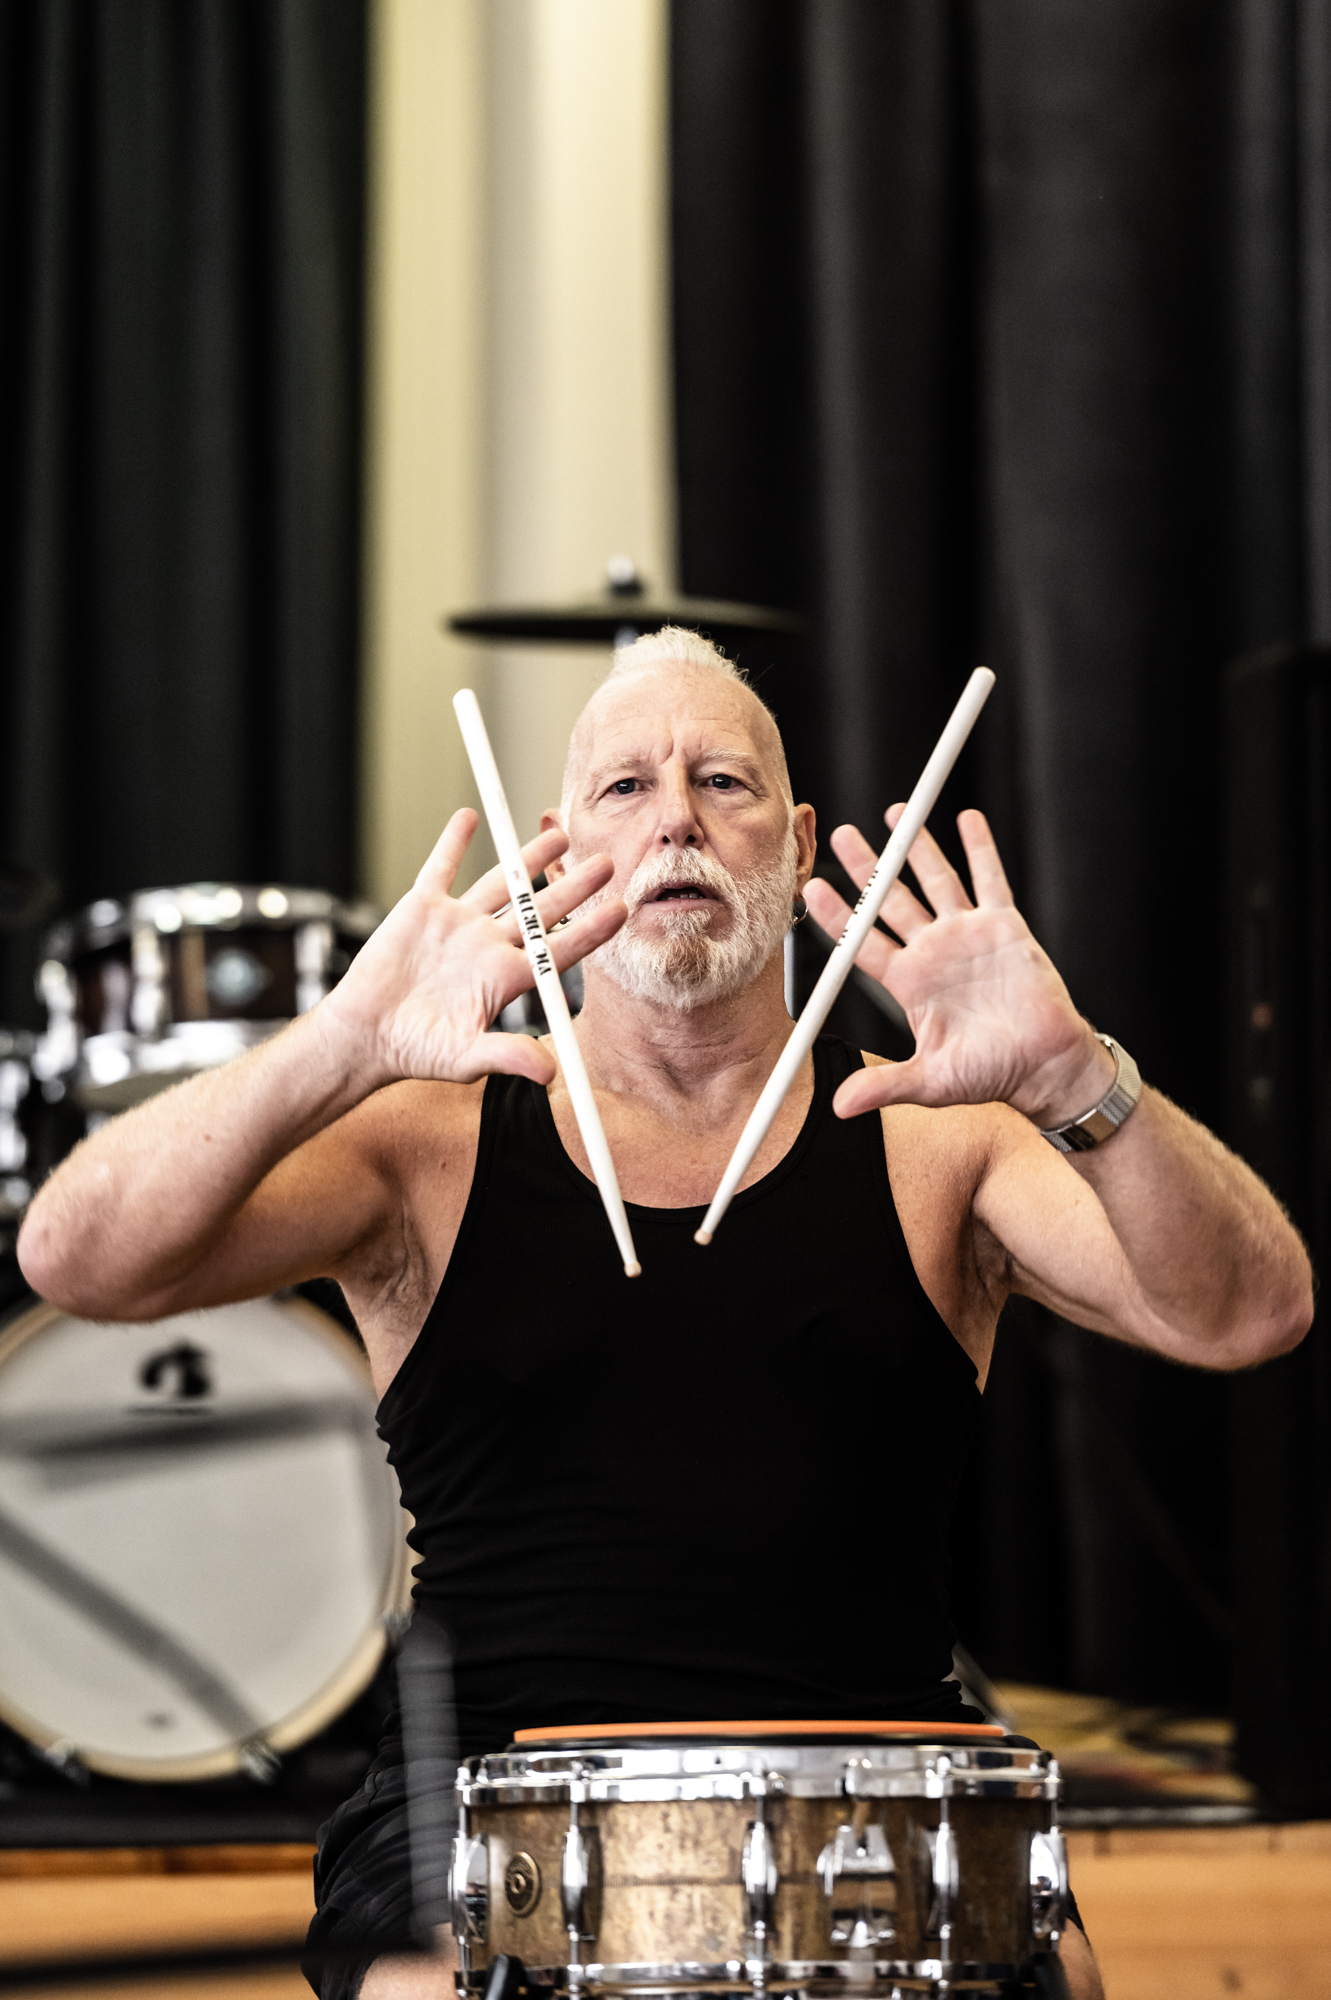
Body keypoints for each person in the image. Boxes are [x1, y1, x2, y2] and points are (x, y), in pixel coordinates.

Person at [18, 629, 1312, 2000]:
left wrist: (1077, 1083)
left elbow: (1252, 1313)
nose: (677, 819)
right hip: (487, 1799)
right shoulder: (424, 1142)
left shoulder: (942, 1141)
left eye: (723, 781)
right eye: (627, 788)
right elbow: (78, 1260)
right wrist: (338, 1046)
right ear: (563, 850)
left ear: (797, 848)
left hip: (878, 1791)